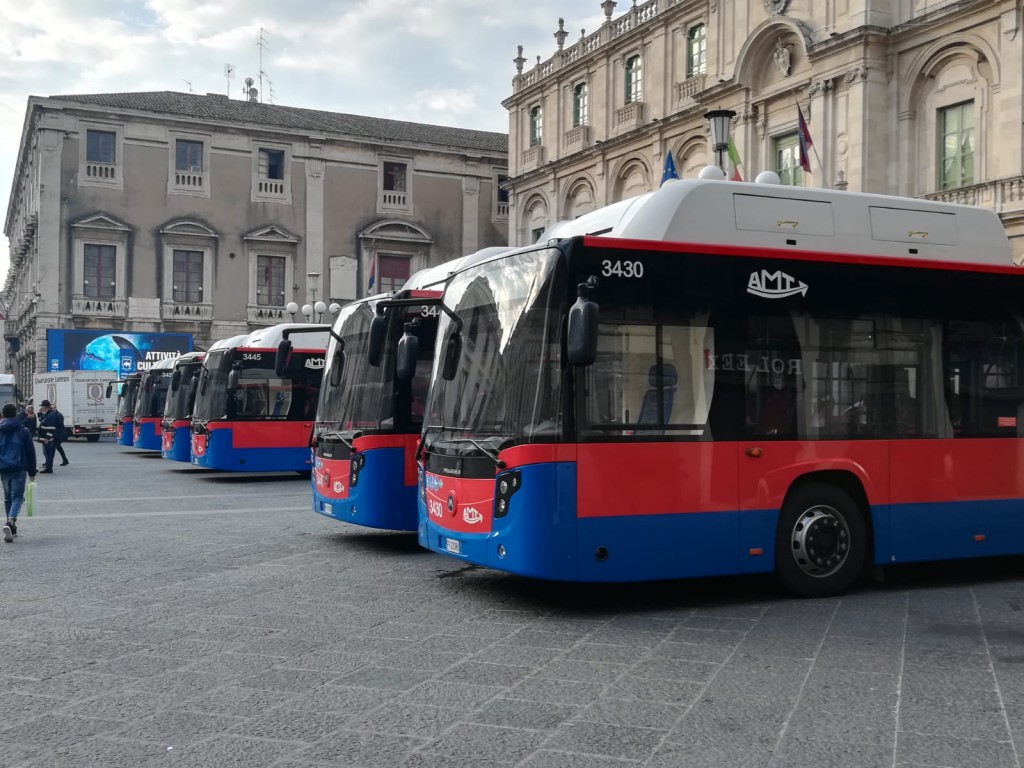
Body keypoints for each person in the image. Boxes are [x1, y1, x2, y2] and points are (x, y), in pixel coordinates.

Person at [0, 402, 38, 542]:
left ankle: (12, 528)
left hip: (3, 467)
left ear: (3, 414)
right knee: (17, 497)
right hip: (19, 467)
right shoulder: (23, 430)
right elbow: (30, 452)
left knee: (7, 497)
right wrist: (32, 471)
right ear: (15, 413)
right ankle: (10, 522)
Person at [37, 400, 68, 472]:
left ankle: (49, 468)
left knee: (49, 453)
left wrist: (47, 438)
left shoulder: (51, 415)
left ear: (45, 406)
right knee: (47, 453)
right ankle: (48, 466)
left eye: (42, 406)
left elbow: (51, 428)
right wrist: (39, 413)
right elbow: (42, 421)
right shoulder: (47, 414)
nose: (41, 407)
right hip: (45, 438)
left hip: (48, 438)